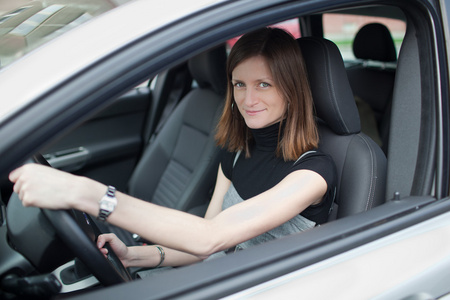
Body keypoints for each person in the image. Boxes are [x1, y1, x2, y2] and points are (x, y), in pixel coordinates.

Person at [9, 27, 336, 271]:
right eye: (240, 84)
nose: (248, 100)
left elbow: (212, 236)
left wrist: (84, 193)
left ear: (292, 89)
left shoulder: (312, 173)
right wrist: (135, 255)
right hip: (219, 274)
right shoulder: (237, 151)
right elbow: (206, 250)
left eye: (263, 84)